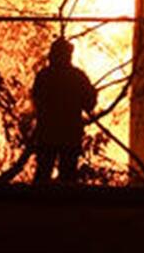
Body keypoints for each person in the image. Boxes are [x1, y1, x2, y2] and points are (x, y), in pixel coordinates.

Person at [30, 36, 96, 183]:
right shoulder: (77, 77)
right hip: (69, 133)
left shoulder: (44, 76)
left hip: (48, 132)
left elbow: (37, 101)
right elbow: (90, 103)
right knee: (68, 174)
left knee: (43, 172)